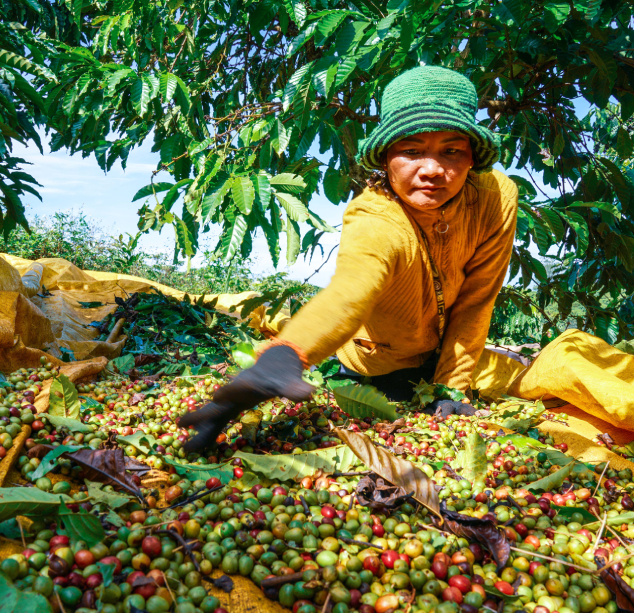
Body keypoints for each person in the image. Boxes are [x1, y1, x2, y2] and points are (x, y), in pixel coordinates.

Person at [179, 65, 518, 452]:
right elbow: (351, 292)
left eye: (452, 151)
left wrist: (450, 390)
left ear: (472, 157)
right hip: (372, 369)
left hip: (442, 362)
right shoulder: (375, 216)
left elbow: (477, 299)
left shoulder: (495, 198)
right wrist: (288, 354)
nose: (432, 170)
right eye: (411, 151)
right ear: (386, 157)